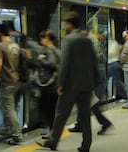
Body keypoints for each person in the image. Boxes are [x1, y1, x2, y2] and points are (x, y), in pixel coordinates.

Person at [36, 12, 98, 152]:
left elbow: (65, 64)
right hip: (86, 85)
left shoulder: (69, 40)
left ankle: (52, 143)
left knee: (60, 115)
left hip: (70, 85)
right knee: (85, 116)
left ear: (70, 24)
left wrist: (60, 84)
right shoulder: (87, 40)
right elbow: (94, 61)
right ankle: (86, 145)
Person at [0, 24, 24, 145]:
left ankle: (17, 136)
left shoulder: (0, 47)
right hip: (17, 81)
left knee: (9, 109)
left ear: (0, 34)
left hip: (7, 82)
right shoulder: (15, 45)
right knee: (12, 108)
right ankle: (10, 128)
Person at [30, 30, 61, 139]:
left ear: (48, 39)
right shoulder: (56, 50)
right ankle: (52, 130)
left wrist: (40, 60)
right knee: (50, 109)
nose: (41, 40)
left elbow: (51, 64)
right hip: (53, 85)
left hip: (50, 86)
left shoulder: (50, 50)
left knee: (48, 109)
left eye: (43, 38)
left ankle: (52, 132)